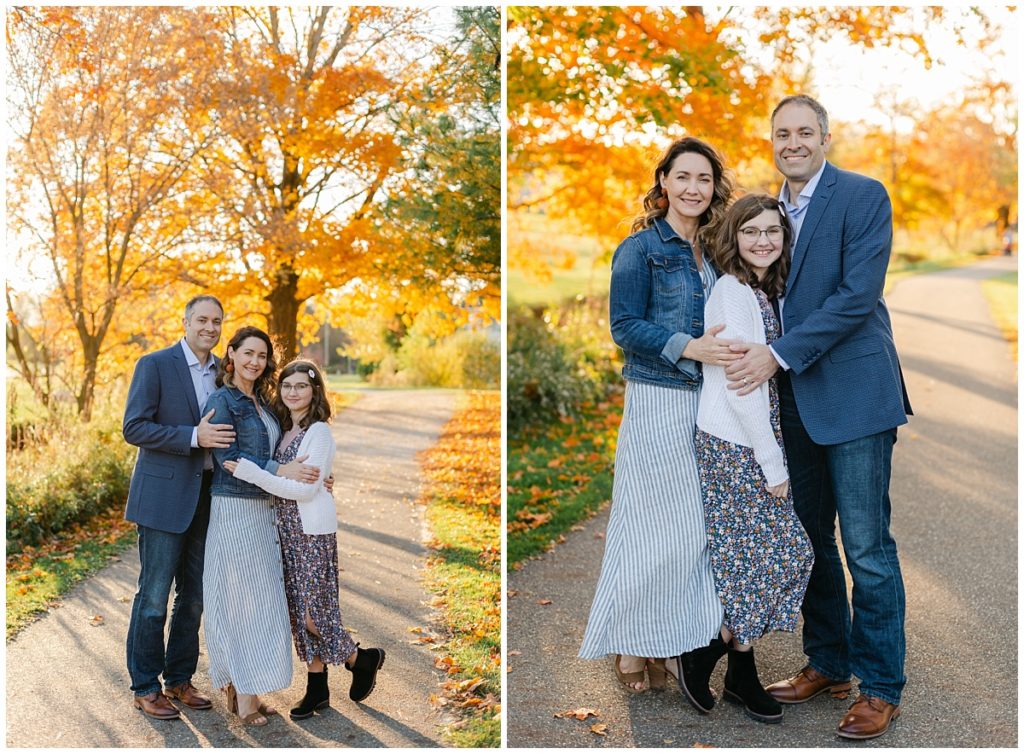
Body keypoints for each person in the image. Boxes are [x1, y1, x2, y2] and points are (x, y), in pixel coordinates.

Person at [725, 94, 912, 740]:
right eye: (783, 133)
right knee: (810, 541)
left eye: (806, 132)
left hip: (856, 397)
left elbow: (858, 296)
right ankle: (829, 662)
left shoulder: (864, 197)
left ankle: (881, 685)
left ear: (826, 138)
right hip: (794, 407)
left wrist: (776, 354)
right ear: (772, 141)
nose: (794, 142)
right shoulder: (766, 213)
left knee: (867, 547)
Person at [578, 137, 742, 698]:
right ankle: (631, 641)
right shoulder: (641, 248)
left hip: (711, 402)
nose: (694, 188)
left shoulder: (721, 251)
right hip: (657, 400)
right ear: (664, 182)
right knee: (650, 524)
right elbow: (623, 326)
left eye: (705, 179)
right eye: (684, 177)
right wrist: (686, 346)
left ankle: (665, 638)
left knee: (692, 529)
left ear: (714, 187)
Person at [694, 194, 814, 723]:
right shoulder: (731, 292)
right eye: (751, 231)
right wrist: (774, 467)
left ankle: (741, 670)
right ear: (733, 238)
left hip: (744, 439)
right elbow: (742, 387)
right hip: (733, 443)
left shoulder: (757, 290)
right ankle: (707, 650)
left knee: (752, 558)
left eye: (773, 231)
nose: (763, 240)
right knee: (786, 553)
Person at [222, 360, 386, 719]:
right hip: (286, 533)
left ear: (315, 391)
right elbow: (296, 475)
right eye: (287, 386)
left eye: (301, 386)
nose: (293, 392)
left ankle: (361, 659)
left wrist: (251, 472)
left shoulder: (319, 432)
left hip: (312, 532)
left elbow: (306, 489)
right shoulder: (284, 428)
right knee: (299, 612)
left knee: (315, 614)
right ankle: (317, 688)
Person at [123, 295, 233, 719]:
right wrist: (193, 437)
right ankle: (145, 686)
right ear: (185, 321)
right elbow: (134, 427)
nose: (210, 327)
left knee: (194, 598)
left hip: (209, 496)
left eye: (217, 321)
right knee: (153, 597)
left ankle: (180, 680)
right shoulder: (155, 364)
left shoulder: (223, 369)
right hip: (163, 498)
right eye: (202, 319)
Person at [203, 326, 294, 727]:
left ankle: (250, 685)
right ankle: (241, 695)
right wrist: (282, 470)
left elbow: (283, 450)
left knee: (260, 603)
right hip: (235, 509)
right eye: (248, 353)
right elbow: (230, 459)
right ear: (232, 354)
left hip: (264, 510)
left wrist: (312, 475)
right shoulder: (222, 400)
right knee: (239, 600)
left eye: (262, 355)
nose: (255, 361)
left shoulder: (266, 403)